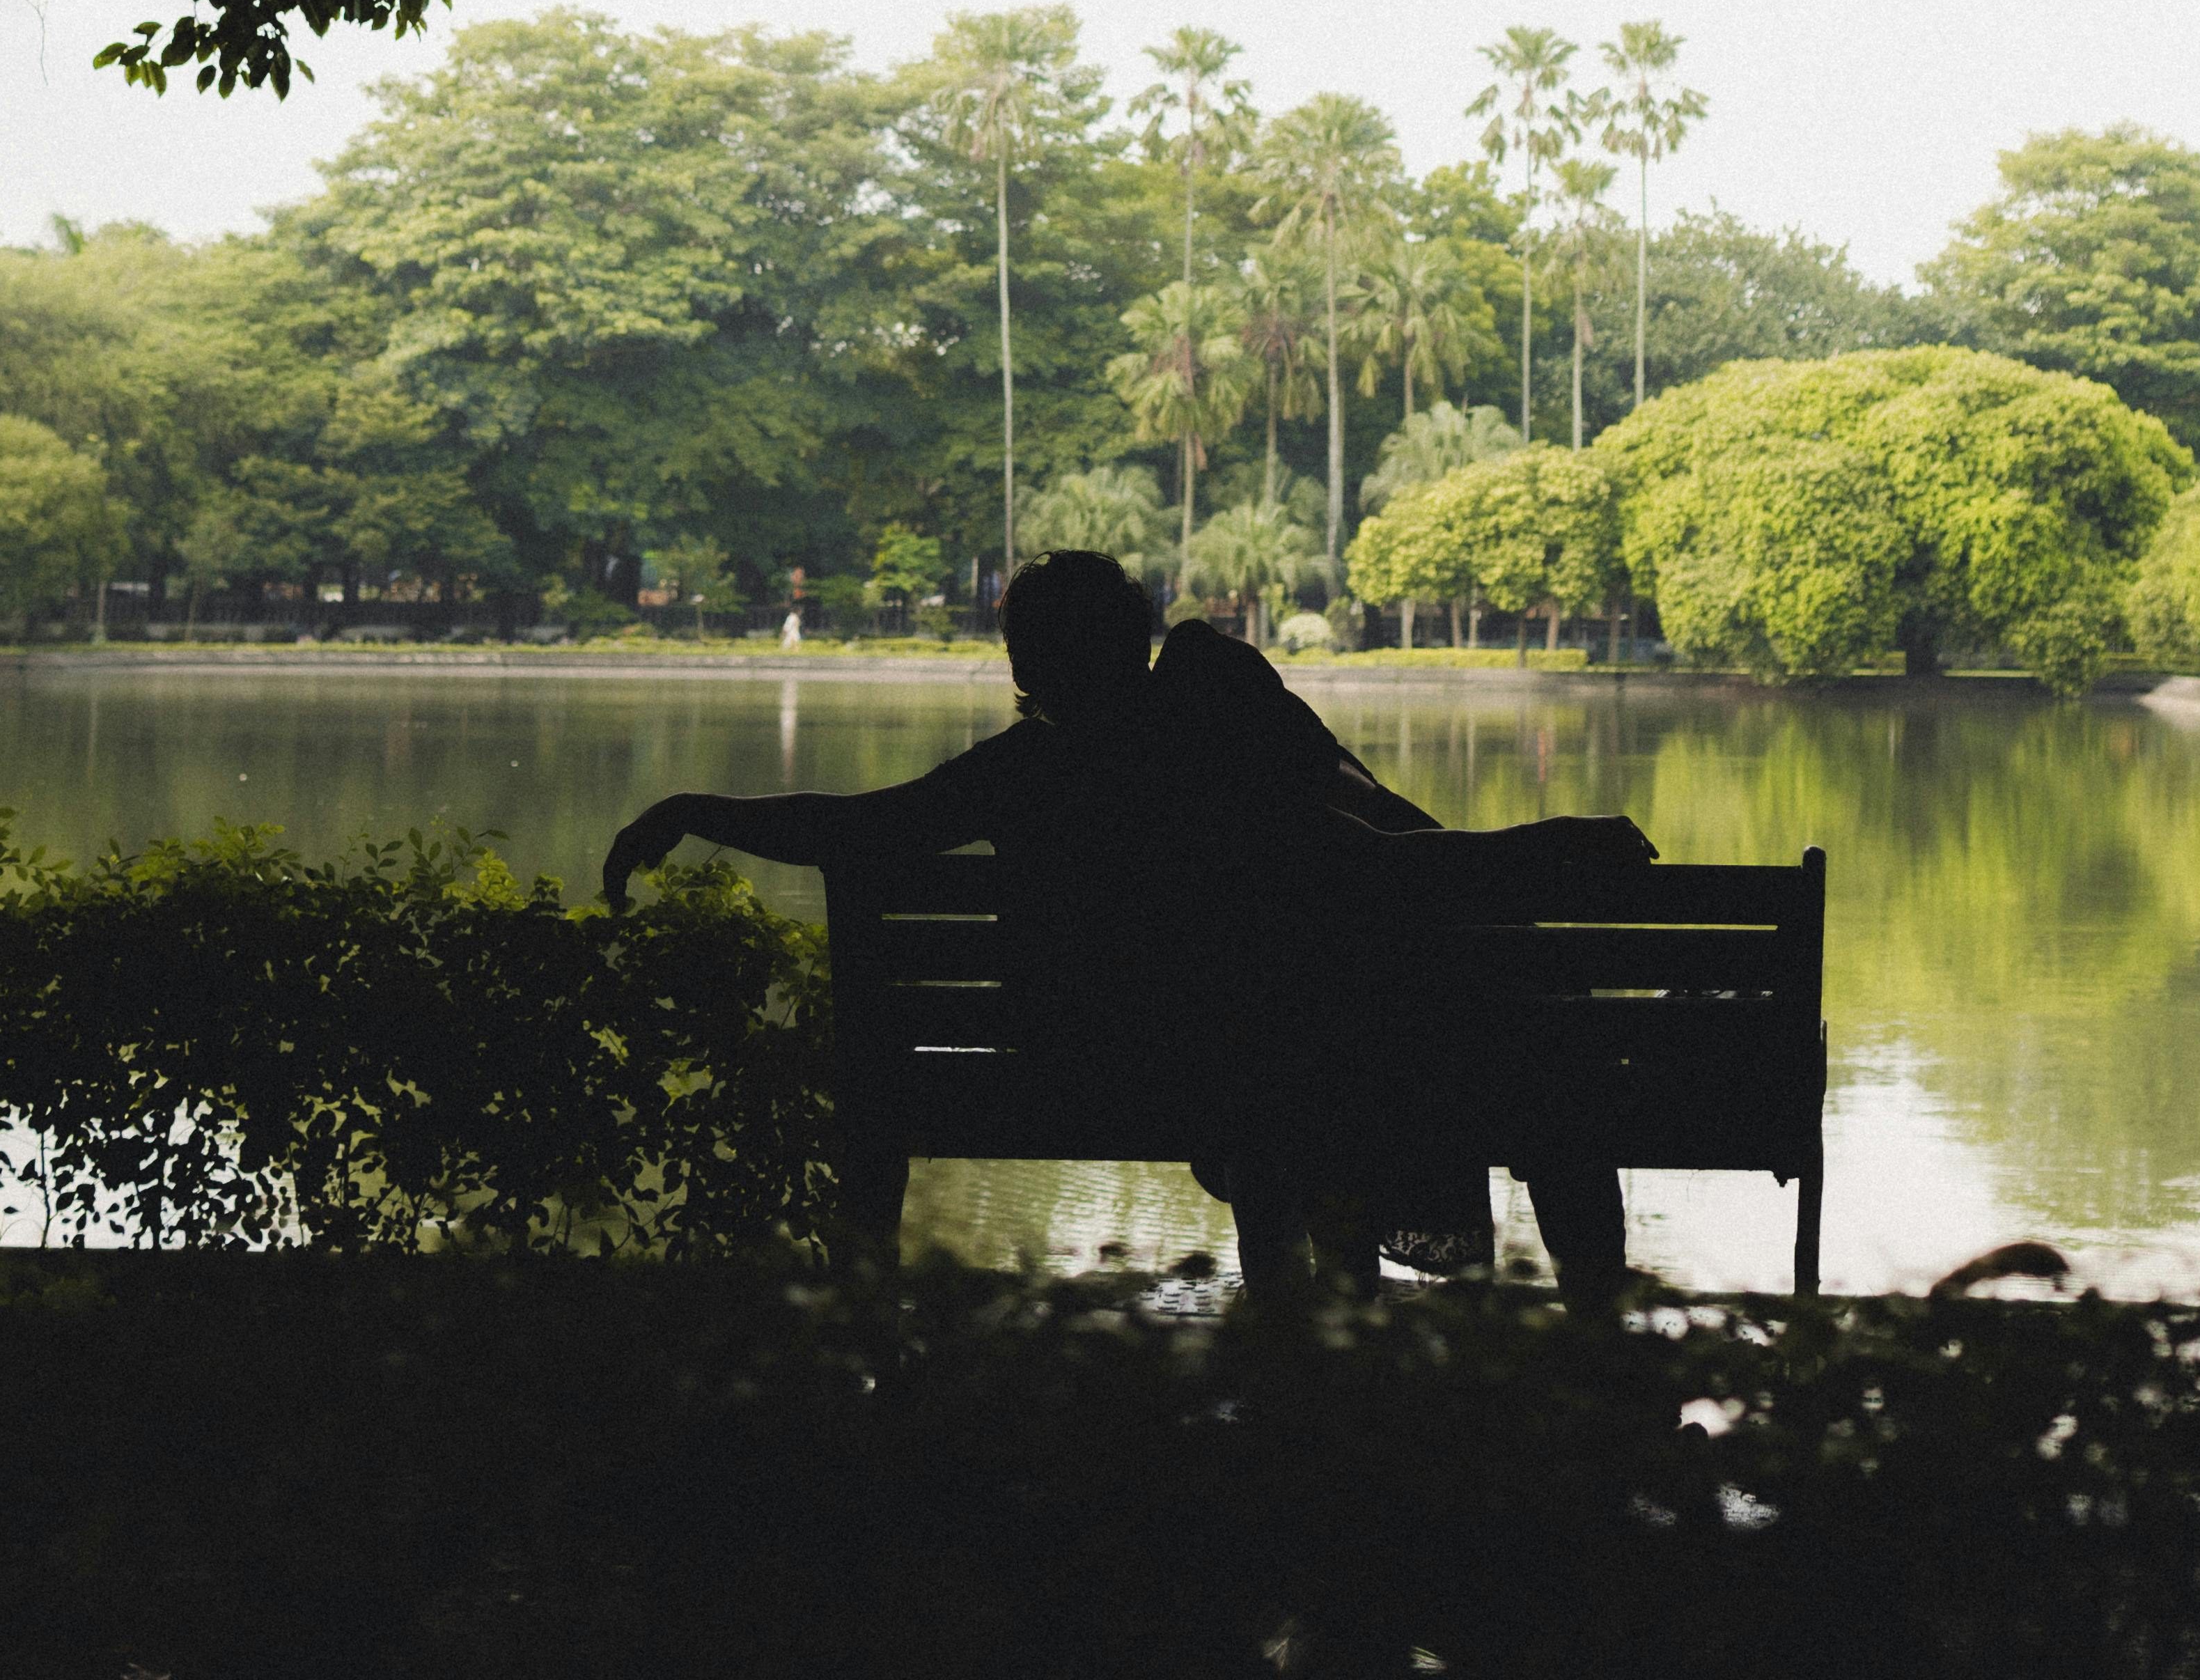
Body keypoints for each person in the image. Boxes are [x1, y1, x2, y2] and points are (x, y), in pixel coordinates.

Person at [600, 552, 1642, 1294]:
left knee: (1288, 1067)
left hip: (1081, 1060)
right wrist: (1553, 838)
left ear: (1025, 667)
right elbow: (1386, 868)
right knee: (1504, 1052)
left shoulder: (1022, 773)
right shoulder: (1218, 762)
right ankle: (1589, 1340)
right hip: (1252, 1064)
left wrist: (701, 810)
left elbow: (863, 828)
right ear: (1137, 647)